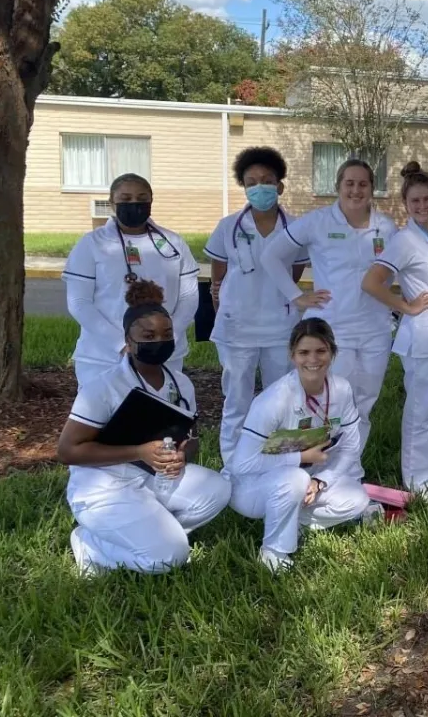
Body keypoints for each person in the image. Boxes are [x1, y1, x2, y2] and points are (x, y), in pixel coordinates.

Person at [56, 279, 230, 575]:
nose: (158, 341)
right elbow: (68, 451)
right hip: (104, 488)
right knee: (169, 560)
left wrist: (182, 455)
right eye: (148, 335)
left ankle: (152, 535)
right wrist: (139, 451)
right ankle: (91, 543)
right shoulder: (103, 387)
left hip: (154, 480)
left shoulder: (181, 383)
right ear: (128, 341)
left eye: (166, 334)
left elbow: (193, 438)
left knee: (218, 489)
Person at [261, 158, 398, 463]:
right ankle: (318, 469)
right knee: (329, 405)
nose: (356, 190)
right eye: (349, 183)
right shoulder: (317, 221)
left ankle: (349, 469)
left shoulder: (386, 226)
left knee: (363, 404)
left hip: (376, 329)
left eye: (363, 183)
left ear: (372, 189)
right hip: (333, 330)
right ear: (337, 187)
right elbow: (270, 255)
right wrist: (297, 296)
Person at [228, 318, 378, 573]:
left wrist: (321, 481)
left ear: (332, 352)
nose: (313, 360)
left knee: (357, 499)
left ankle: (291, 518)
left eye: (321, 351)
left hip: (307, 477)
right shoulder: (274, 399)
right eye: (304, 352)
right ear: (292, 355)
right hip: (251, 486)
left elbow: (351, 445)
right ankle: (274, 553)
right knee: (295, 478)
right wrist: (300, 458)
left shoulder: (341, 388)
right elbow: (243, 464)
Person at [362, 163, 428, 499]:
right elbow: (372, 282)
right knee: (423, 412)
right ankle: (417, 481)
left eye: (427, 200)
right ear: (405, 205)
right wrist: (405, 307)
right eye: (415, 202)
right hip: (423, 341)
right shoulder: (404, 240)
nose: (422, 206)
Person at [205, 147, 309, 466]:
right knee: (237, 400)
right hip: (238, 328)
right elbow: (218, 274)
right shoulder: (228, 227)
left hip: (280, 328)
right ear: (244, 186)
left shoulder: (296, 228)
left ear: (280, 185)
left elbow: (293, 273)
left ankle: (281, 464)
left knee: (284, 399)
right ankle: (235, 465)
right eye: (252, 182)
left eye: (267, 180)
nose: (259, 187)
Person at [63, 173, 200, 386]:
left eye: (141, 198)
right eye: (125, 199)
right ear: (112, 203)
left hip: (164, 354)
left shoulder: (174, 243)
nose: (134, 204)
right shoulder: (91, 244)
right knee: (104, 418)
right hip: (104, 357)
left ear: (151, 201)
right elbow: (79, 303)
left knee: (160, 416)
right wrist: (122, 344)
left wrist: (164, 336)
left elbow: (189, 297)